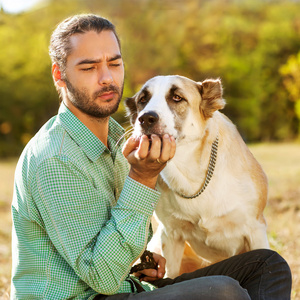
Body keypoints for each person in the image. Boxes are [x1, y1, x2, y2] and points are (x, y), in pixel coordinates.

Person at [11, 14, 292, 300]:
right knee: (224, 293)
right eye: (89, 67)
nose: (107, 77)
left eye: (114, 63)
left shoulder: (117, 142)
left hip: (128, 288)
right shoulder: (55, 159)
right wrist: (143, 177)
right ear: (60, 75)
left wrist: (141, 261)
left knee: (268, 266)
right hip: (88, 298)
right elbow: (103, 278)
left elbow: (102, 241)